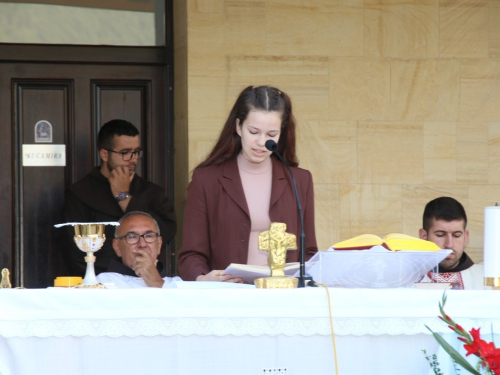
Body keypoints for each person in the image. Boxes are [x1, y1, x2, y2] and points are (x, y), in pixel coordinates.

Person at [177, 85, 318, 282]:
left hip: (284, 296)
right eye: (254, 131)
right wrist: (203, 279)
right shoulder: (207, 179)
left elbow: (309, 251)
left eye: (271, 135)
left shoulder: (299, 180)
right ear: (238, 127)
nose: (261, 142)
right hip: (228, 296)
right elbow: (191, 254)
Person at [62, 119, 176, 276]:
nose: (133, 158)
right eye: (124, 153)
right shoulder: (80, 193)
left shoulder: (152, 192)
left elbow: (165, 234)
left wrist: (124, 197)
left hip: (147, 281)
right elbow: (74, 252)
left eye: (136, 152)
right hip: (99, 285)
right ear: (104, 154)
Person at [97, 211, 181, 288]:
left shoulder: (177, 285)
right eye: (132, 237)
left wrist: (157, 282)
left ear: (159, 244)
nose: (142, 244)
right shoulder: (102, 282)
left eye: (149, 236)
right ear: (117, 247)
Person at [418, 197, 485, 289]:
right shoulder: (406, 280)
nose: (449, 244)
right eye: (440, 235)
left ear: (465, 237)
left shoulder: (484, 279)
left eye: (456, 235)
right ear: (423, 236)